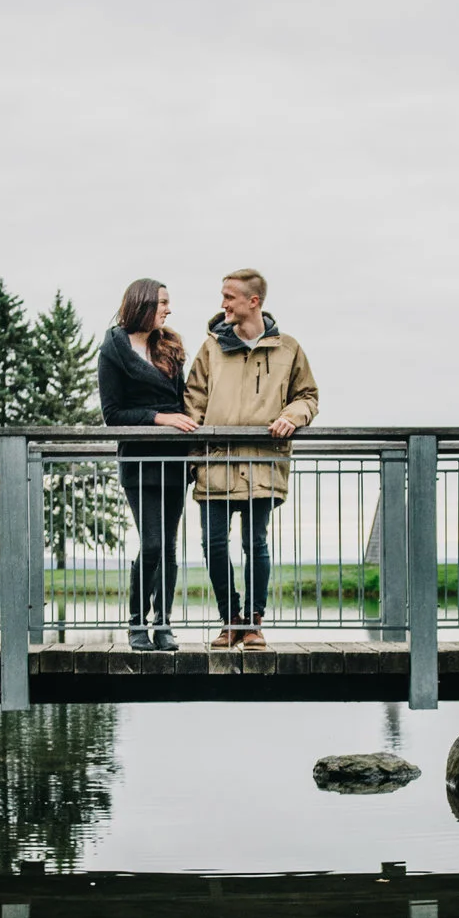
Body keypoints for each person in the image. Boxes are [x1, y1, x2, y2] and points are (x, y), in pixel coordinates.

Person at [182, 270, 319, 649]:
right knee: (213, 543)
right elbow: (192, 403)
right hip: (216, 465)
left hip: (263, 463)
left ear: (253, 301)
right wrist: (196, 460)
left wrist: (292, 416)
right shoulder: (210, 348)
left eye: (229, 297)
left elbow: (307, 395)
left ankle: (254, 623)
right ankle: (230, 620)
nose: (223, 304)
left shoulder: (288, 348)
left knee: (255, 543)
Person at [96, 278, 197, 650]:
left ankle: (163, 624)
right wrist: (159, 417)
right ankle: (137, 622)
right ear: (142, 304)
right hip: (139, 461)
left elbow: (183, 403)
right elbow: (112, 413)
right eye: (163, 303)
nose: (169, 310)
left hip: (174, 461)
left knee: (168, 546)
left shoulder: (169, 345)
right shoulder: (113, 349)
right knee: (151, 544)